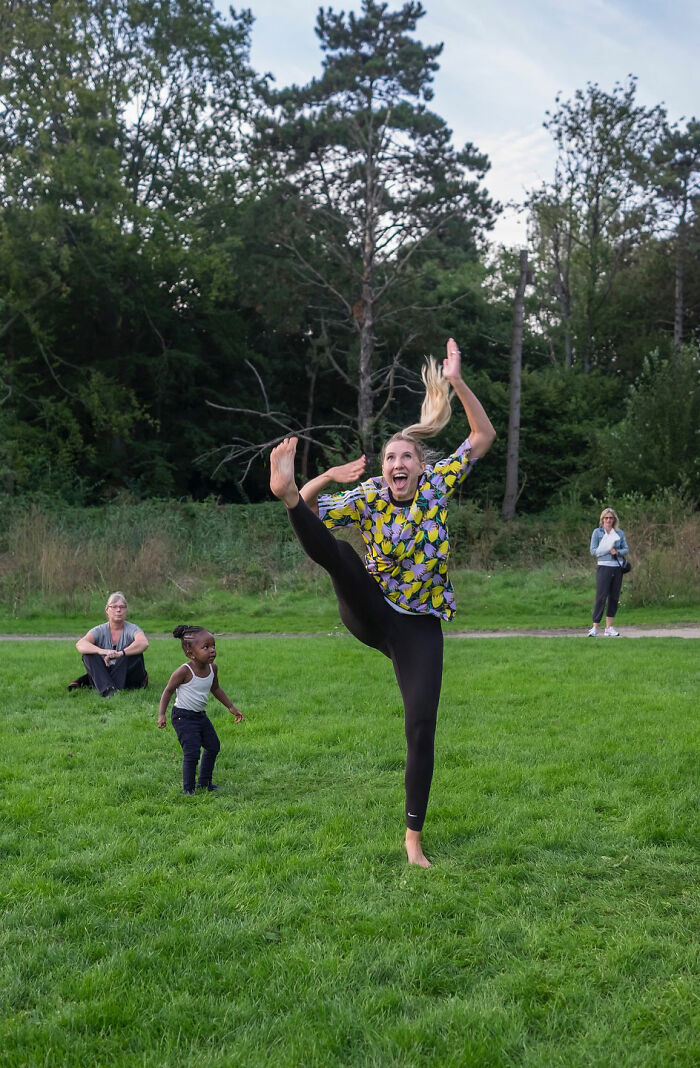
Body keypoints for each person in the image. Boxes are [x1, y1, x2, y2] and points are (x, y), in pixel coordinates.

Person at [269, 337, 496, 867]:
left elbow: (483, 435)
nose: (396, 464)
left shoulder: (439, 485)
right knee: (343, 557)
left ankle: (413, 837)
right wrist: (320, 479)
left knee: (421, 724)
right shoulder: (370, 494)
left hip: (418, 628)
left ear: (421, 466)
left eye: (405, 458)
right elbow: (312, 521)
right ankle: (281, 488)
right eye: (389, 457)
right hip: (370, 611)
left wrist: (457, 381)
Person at [158, 625, 245, 794]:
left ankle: (204, 783)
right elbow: (168, 690)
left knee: (213, 746)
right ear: (191, 654)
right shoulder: (184, 671)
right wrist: (162, 714)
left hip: (199, 716)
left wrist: (231, 707)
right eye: (206, 647)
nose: (212, 650)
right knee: (192, 753)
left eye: (213, 646)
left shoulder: (213, 668)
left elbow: (216, 689)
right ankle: (188, 789)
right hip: (182, 717)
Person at [69, 591, 149, 697]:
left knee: (133, 653)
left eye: (122, 607)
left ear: (126, 610)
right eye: (114, 607)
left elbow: (143, 643)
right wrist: (103, 651)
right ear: (107, 610)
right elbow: (80, 644)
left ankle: (100, 684)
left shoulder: (133, 629)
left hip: (129, 678)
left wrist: (120, 653)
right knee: (88, 654)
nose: (118, 610)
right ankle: (108, 689)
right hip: (107, 671)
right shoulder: (99, 630)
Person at [588, 508, 629, 637]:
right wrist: (605, 549)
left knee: (614, 597)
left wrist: (617, 552)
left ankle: (608, 627)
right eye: (606, 518)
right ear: (602, 519)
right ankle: (595, 627)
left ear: (614, 519)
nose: (608, 520)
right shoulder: (597, 532)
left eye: (611, 518)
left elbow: (625, 548)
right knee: (601, 596)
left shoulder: (619, 533)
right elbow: (593, 551)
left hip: (617, 567)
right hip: (603, 566)